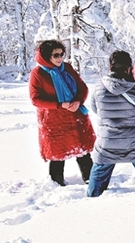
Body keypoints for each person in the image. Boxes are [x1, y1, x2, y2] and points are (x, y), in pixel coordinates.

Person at [87, 51, 135, 197]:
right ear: (128, 68)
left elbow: (95, 109)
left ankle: (93, 198)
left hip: (108, 141)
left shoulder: (98, 86)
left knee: (100, 168)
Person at [29, 39, 96, 186]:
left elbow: (82, 88)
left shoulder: (67, 68)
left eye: (61, 54)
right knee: (57, 155)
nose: (60, 58)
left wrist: (78, 101)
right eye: (55, 55)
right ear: (46, 57)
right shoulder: (38, 73)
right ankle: (57, 186)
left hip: (75, 115)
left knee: (83, 151)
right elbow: (35, 99)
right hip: (54, 120)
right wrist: (59, 105)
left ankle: (92, 181)